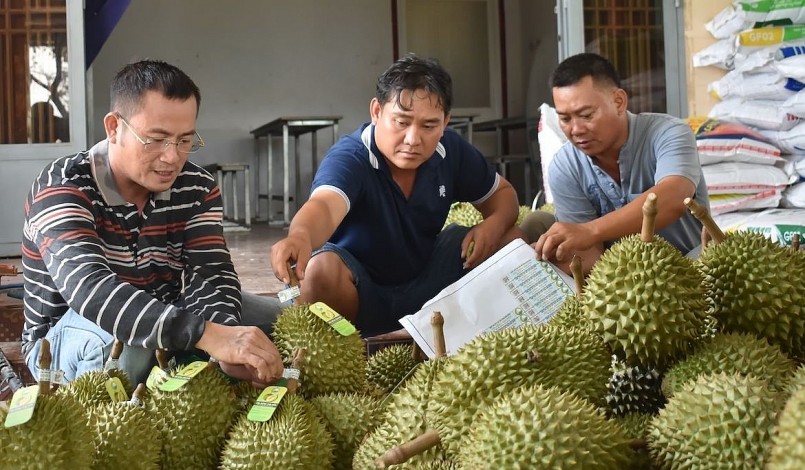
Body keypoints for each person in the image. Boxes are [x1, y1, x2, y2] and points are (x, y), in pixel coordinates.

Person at [21, 60, 283, 386]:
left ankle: (190, 361)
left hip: (166, 309)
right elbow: (91, 291)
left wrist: (227, 338)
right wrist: (204, 334)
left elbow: (210, 273)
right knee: (124, 346)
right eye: (156, 139)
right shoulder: (62, 186)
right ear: (114, 127)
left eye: (185, 140)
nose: (172, 157)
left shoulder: (196, 187)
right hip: (67, 334)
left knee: (283, 322)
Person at [270, 54, 523, 337]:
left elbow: (503, 193)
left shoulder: (450, 150)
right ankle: (359, 346)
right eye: (401, 122)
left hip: (428, 283)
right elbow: (325, 206)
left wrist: (494, 224)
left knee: (512, 241)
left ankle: (468, 334)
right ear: (376, 111)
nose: (413, 139)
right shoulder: (351, 157)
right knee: (319, 272)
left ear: (445, 122)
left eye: (429, 126)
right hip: (360, 291)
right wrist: (300, 236)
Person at [529, 53, 708, 274]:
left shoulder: (668, 133)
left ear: (619, 102)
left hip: (690, 271)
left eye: (586, 115)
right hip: (622, 282)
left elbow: (674, 197)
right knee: (535, 224)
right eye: (565, 119)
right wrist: (542, 259)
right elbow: (590, 256)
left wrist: (591, 230)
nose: (575, 130)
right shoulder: (565, 166)